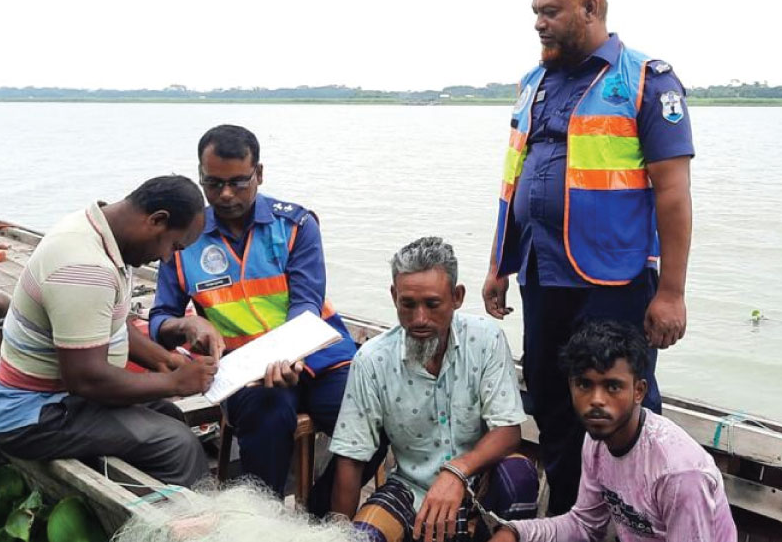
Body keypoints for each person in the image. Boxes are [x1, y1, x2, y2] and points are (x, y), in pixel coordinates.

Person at [482, 0, 695, 515]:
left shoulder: (645, 80)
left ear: (590, 7)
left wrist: (671, 293)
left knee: (621, 411)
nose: (538, 23)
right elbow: (513, 180)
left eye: (550, 12)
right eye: (535, 11)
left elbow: (673, 194)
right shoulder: (533, 83)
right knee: (553, 402)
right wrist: (499, 265)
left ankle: (639, 519)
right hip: (541, 275)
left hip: (614, 281)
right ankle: (570, 517)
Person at [149, 124, 379, 510]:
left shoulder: (295, 226)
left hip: (321, 358)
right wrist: (186, 324)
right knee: (269, 412)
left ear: (259, 173)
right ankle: (264, 519)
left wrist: (290, 354)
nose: (225, 194)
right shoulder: (184, 239)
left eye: (238, 182)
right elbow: (160, 319)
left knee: (372, 416)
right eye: (213, 183)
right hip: (244, 372)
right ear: (200, 176)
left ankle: (315, 518)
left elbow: (306, 304)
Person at [0, 176, 217, 487]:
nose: (166, 258)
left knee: (169, 415)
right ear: (157, 220)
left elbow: (106, 322)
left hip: (60, 398)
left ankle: (148, 494)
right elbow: (85, 379)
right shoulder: (85, 267)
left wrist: (165, 361)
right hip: (31, 415)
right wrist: (174, 382)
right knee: (178, 446)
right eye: (173, 246)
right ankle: (178, 517)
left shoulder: (98, 232)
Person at [331, 237, 538, 542]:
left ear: (457, 297)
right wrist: (337, 534)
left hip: (479, 481)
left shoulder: (486, 339)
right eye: (408, 304)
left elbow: (508, 431)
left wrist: (457, 472)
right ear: (394, 297)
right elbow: (351, 458)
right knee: (363, 535)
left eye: (432, 304)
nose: (420, 319)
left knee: (519, 476)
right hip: (410, 490)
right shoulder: (372, 360)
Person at [490, 321, 736, 541]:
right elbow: (584, 525)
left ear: (638, 391)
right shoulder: (598, 440)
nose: (596, 400)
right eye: (584, 385)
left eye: (613, 387)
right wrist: (515, 532)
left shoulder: (678, 473)